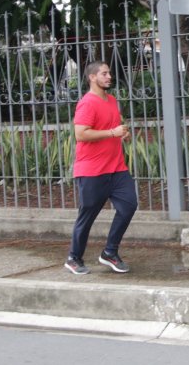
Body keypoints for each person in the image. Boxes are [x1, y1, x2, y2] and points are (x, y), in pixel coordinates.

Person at [64, 61, 138, 275]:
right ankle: (74, 257)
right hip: (92, 170)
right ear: (92, 77)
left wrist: (123, 133)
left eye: (109, 73)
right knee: (88, 215)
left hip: (116, 168)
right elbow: (81, 134)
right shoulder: (87, 103)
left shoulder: (112, 101)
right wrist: (112, 133)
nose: (109, 77)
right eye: (104, 73)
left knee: (128, 206)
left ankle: (109, 252)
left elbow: (113, 128)